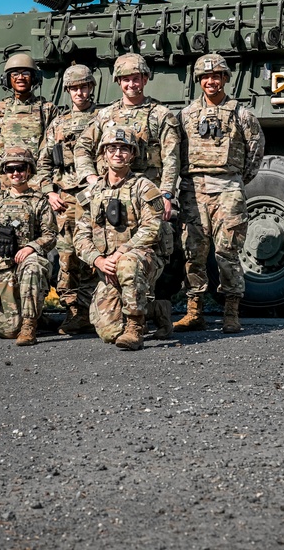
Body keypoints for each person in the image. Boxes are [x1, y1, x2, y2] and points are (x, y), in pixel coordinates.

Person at [73, 52, 180, 338]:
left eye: (136, 78)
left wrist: (167, 193)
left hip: (148, 195)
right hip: (110, 193)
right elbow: (82, 147)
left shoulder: (161, 114)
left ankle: (150, 314)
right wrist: (92, 179)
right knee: (107, 330)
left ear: (145, 79)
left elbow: (171, 157)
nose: (131, 84)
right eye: (126, 79)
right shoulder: (105, 115)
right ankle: (134, 309)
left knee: (153, 251)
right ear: (118, 82)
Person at [174, 54, 264, 334]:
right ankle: (194, 311)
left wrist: (235, 179)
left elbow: (255, 149)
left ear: (225, 78)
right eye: (205, 77)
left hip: (228, 189)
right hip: (193, 190)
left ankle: (231, 312)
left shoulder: (242, 114)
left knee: (228, 252)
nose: (211, 81)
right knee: (194, 252)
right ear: (198, 80)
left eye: (216, 76)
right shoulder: (185, 115)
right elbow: (174, 152)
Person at [73, 126, 164, 350]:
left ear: (133, 154)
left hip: (142, 259)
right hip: (107, 266)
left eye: (124, 149)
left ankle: (135, 327)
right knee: (108, 332)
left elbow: (153, 228)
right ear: (104, 153)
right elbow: (80, 236)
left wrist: (120, 253)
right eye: (112, 148)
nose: (118, 153)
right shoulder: (90, 194)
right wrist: (99, 261)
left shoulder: (144, 187)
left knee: (128, 263)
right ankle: (157, 309)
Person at [37, 64, 99, 334]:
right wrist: (50, 191)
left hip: (94, 198)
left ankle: (93, 310)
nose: (80, 93)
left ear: (92, 87)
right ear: (68, 91)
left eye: (84, 87)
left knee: (94, 256)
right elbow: (43, 164)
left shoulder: (104, 118)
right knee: (67, 258)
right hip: (65, 201)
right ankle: (73, 311)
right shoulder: (57, 125)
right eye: (75, 88)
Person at [0, 147, 56, 346]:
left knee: (33, 266)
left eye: (20, 168)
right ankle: (34, 316)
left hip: (27, 263)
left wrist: (31, 247)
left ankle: (30, 324)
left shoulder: (39, 202)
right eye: (10, 169)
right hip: (2, 267)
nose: (16, 173)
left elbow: (51, 235)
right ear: (4, 172)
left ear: (29, 170)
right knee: (8, 331)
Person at [0, 53, 57, 196]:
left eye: (26, 73)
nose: (20, 78)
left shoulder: (47, 109)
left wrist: (47, 187)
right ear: (7, 79)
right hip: (5, 186)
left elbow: (51, 152)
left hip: (38, 186)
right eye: (15, 74)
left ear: (35, 77)